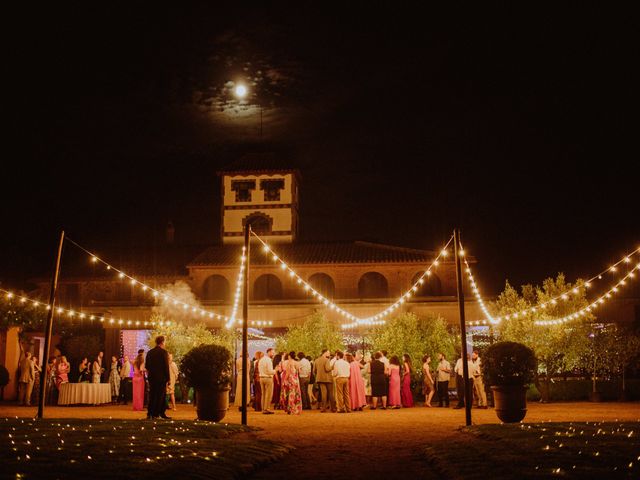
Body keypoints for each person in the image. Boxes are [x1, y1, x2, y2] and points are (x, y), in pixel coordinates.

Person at [145, 336, 171, 419]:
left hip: (152, 377)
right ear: (162, 342)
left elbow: (147, 366)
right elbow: (166, 366)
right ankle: (157, 413)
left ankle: (150, 413)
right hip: (161, 378)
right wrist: (168, 378)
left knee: (152, 395)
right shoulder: (164, 352)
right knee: (160, 396)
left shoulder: (150, 352)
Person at [258, 348, 276, 414]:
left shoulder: (261, 359)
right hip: (268, 378)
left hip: (261, 378)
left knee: (263, 394)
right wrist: (275, 370)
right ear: (268, 352)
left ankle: (263, 408)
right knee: (268, 394)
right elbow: (269, 371)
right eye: (272, 352)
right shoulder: (268, 360)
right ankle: (267, 409)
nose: (273, 354)